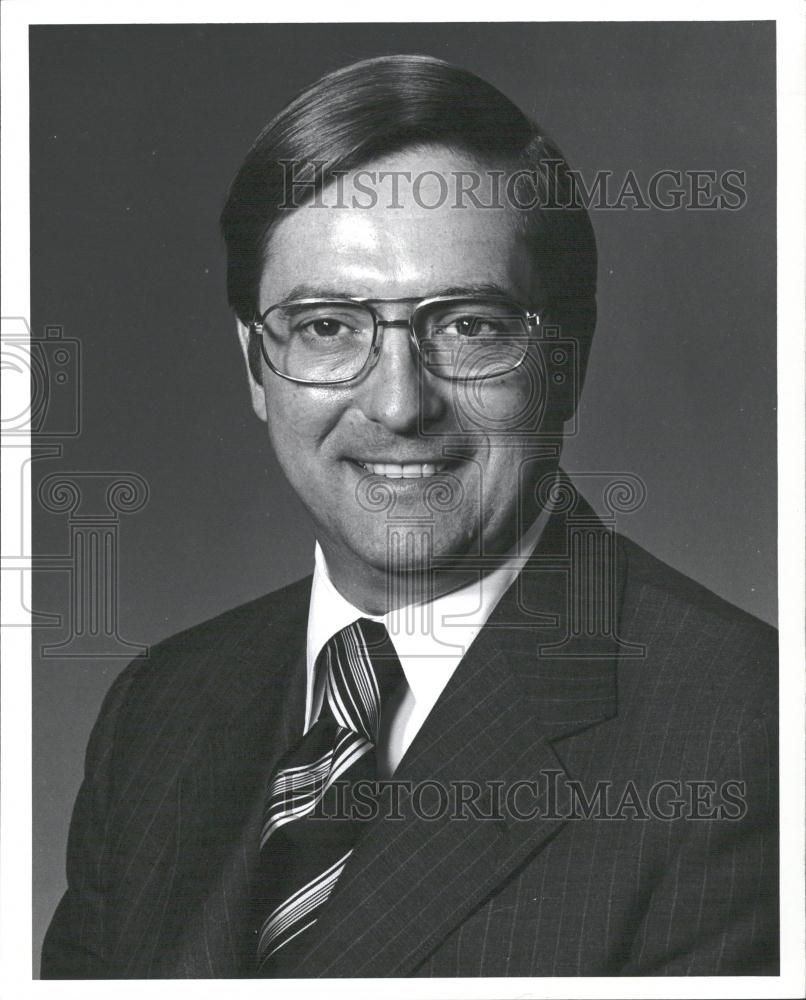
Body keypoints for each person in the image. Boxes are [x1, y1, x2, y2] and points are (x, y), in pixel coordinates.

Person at [41, 54, 778, 979]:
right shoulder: (161, 708)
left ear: (568, 363)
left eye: (468, 325)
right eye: (326, 326)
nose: (398, 404)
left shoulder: (749, 733)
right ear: (254, 368)